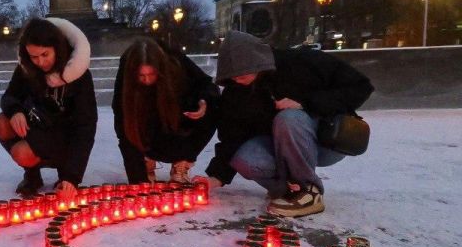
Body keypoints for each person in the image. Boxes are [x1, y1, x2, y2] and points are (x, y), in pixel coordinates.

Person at [201, 30, 374, 217]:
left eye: (242, 72)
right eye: (231, 74)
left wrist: (306, 104)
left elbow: (361, 86)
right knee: (243, 159)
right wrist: (216, 177)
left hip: (324, 142)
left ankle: (308, 191)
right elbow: (231, 137)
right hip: (277, 145)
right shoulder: (236, 92)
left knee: (288, 117)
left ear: (258, 60)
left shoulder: (302, 62)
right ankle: (288, 190)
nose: (236, 78)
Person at [0, 17, 98, 198]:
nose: (40, 62)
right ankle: (32, 175)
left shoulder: (78, 74)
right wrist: (15, 111)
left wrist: (71, 177)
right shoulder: (27, 68)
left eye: (45, 55)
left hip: (65, 136)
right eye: (34, 56)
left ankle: (61, 171)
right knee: (2, 122)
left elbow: (86, 127)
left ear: (57, 48)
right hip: (39, 126)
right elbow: (10, 96)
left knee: (22, 152)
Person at [113, 37, 219, 184]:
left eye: (152, 74)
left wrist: (203, 100)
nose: (147, 80)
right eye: (141, 76)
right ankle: (145, 161)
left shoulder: (173, 58)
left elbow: (205, 83)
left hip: (173, 118)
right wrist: (137, 179)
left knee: (213, 106)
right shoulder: (126, 70)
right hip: (147, 127)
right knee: (133, 120)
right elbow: (122, 123)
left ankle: (181, 161)